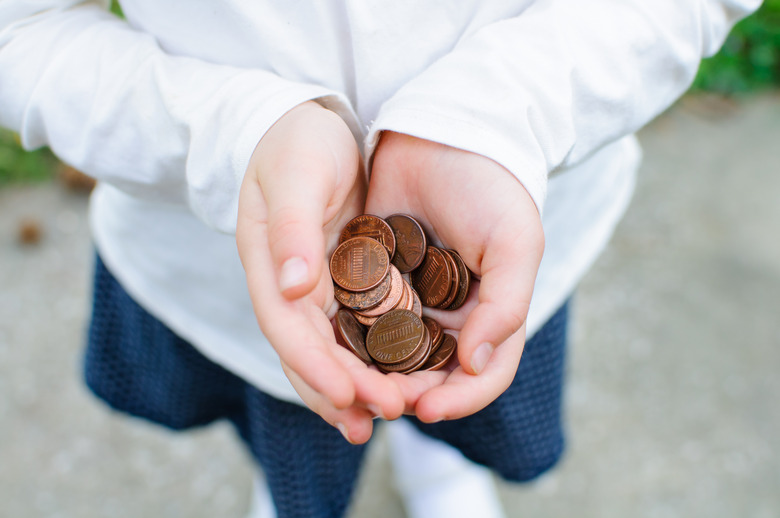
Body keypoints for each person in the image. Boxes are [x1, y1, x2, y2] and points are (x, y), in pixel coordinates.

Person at [0, 1, 762, 517]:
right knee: (288, 429)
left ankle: (442, 458)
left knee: (459, 385)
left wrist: (506, 112)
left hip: (511, 230)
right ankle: (289, 482)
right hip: (220, 266)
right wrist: (234, 132)